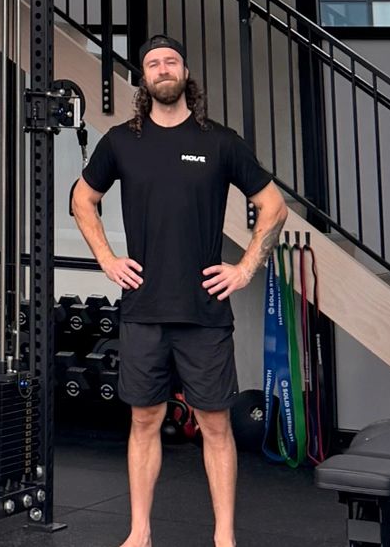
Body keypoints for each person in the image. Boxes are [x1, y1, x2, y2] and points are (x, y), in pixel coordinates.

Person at [71, 34, 288, 547]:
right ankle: (139, 533)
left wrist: (244, 268)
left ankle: (224, 538)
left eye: (171, 61)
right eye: (153, 63)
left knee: (215, 424)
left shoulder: (220, 142)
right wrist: (106, 258)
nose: (163, 68)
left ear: (186, 74)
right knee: (144, 420)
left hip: (204, 310)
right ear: (143, 80)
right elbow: (83, 199)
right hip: (143, 309)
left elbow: (273, 207)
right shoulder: (122, 141)